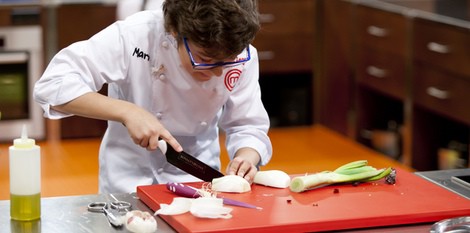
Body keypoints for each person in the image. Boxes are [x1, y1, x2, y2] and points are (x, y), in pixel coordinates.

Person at [34, 0, 272, 194]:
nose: (219, 72)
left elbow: (247, 126)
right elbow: (53, 85)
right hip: (127, 183)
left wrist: (246, 157)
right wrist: (128, 112)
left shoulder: (240, 53)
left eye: (228, 61)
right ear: (174, 32)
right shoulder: (135, 36)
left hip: (198, 184)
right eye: (206, 60)